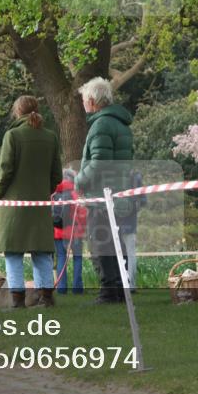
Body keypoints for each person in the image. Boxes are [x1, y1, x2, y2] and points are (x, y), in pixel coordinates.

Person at [0, 96, 63, 308]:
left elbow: (5, 170)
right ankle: (46, 298)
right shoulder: (50, 137)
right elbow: (57, 175)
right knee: (41, 253)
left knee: (13, 254)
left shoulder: (12, 135)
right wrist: (44, 192)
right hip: (40, 206)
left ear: (17, 112)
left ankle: (17, 302)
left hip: (13, 207)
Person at [74, 77, 134, 304]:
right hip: (119, 192)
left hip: (102, 195)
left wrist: (80, 181)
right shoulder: (120, 123)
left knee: (100, 243)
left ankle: (109, 291)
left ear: (92, 100)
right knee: (115, 242)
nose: (83, 104)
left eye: (83, 100)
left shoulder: (101, 125)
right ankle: (119, 289)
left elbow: (99, 162)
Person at [51, 169, 86, 295]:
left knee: (61, 257)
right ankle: (77, 288)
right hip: (75, 233)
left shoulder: (54, 194)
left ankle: (61, 288)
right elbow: (82, 215)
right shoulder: (75, 194)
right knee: (77, 258)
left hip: (58, 232)